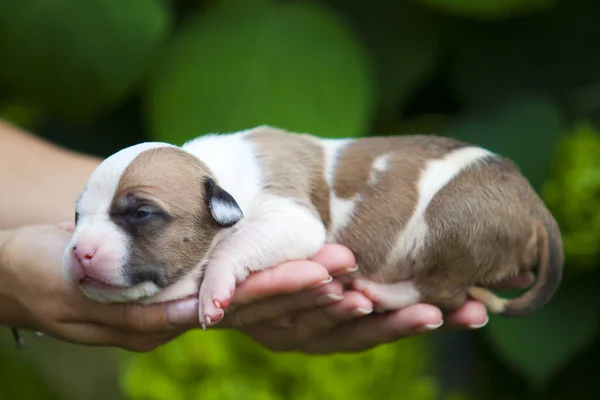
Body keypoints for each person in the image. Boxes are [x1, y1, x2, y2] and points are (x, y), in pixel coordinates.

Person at [0, 120, 527, 354]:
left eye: (135, 216)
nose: (83, 244)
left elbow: (300, 229)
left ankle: (429, 285)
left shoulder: (248, 184)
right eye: (78, 217)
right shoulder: (208, 180)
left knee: (459, 219)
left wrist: (227, 264)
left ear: (221, 211)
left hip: (466, 198)